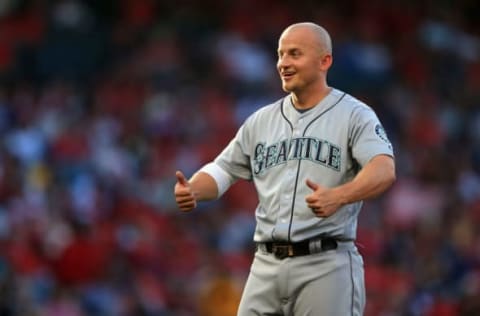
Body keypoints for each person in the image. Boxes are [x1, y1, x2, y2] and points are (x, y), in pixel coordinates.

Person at [174, 22, 395, 316]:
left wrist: (340, 196)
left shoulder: (354, 115)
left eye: (294, 54)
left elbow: (383, 169)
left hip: (326, 264)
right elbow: (222, 170)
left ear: (324, 61)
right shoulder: (261, 120)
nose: (284, 63)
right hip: (266, 264)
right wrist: (193, 188)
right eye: (280, 55)